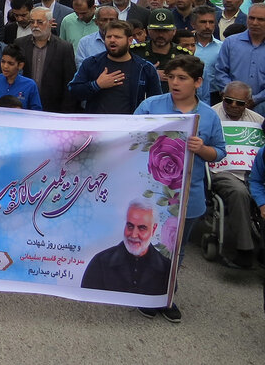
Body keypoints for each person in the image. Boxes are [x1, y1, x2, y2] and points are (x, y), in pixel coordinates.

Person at [133, 54, 226, 322]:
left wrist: (202, 149)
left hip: (189, 196)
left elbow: (219, 153)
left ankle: (167, 295)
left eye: (182, 78)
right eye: (171, 77)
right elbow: (128, 135)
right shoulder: (151, 106)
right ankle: (147, 293)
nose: (175, 83)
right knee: (150, 244)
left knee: (176, 249)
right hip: (150, 193)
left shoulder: (208, 116)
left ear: (198, 82)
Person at [209, 81, 263, 268]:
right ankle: (245, 251)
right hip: (222, 171)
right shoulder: (211, 116)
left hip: (252, 172)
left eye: (239, 103)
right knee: (238, 191)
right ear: (222, 97)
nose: (233, 105)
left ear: (248, 102)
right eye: (229, 100)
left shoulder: (257, 120)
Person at [68, 20, 161, 113]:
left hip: (131, 125)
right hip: (97, 125)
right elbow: (73, 91)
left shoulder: (145, 68)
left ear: (129, 40)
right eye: (108, 37)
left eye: (117, 37)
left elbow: (156, 103)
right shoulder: (91, 63)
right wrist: (96, 85)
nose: (112, 40)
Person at [81, 199, 171, 296]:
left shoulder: (166, 268)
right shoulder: (100, 262)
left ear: (153, 229)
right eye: (130, 226)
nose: (134, 235)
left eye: (142, 228)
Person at [15, 7, 75, 113]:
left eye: (39, 22)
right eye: (32, 22)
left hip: (52, 108)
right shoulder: (20, 44)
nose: (35, 26)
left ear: (50, 23)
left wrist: (66, 112)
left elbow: (68, 81)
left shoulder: (64, 48)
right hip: (24, 105)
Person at [215, 2, 265, 116]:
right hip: (230, 107)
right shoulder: (230, 43)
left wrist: (256, 99)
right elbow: (220, 72)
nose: (255, 23)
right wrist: (234, 97)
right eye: (251, 18)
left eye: (261, 19)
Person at [0, 45, 42, 110]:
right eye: (3, 62)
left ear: (20, 65)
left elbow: (36, 111)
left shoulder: (30, 85)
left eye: (10, 63)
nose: (5, 66)